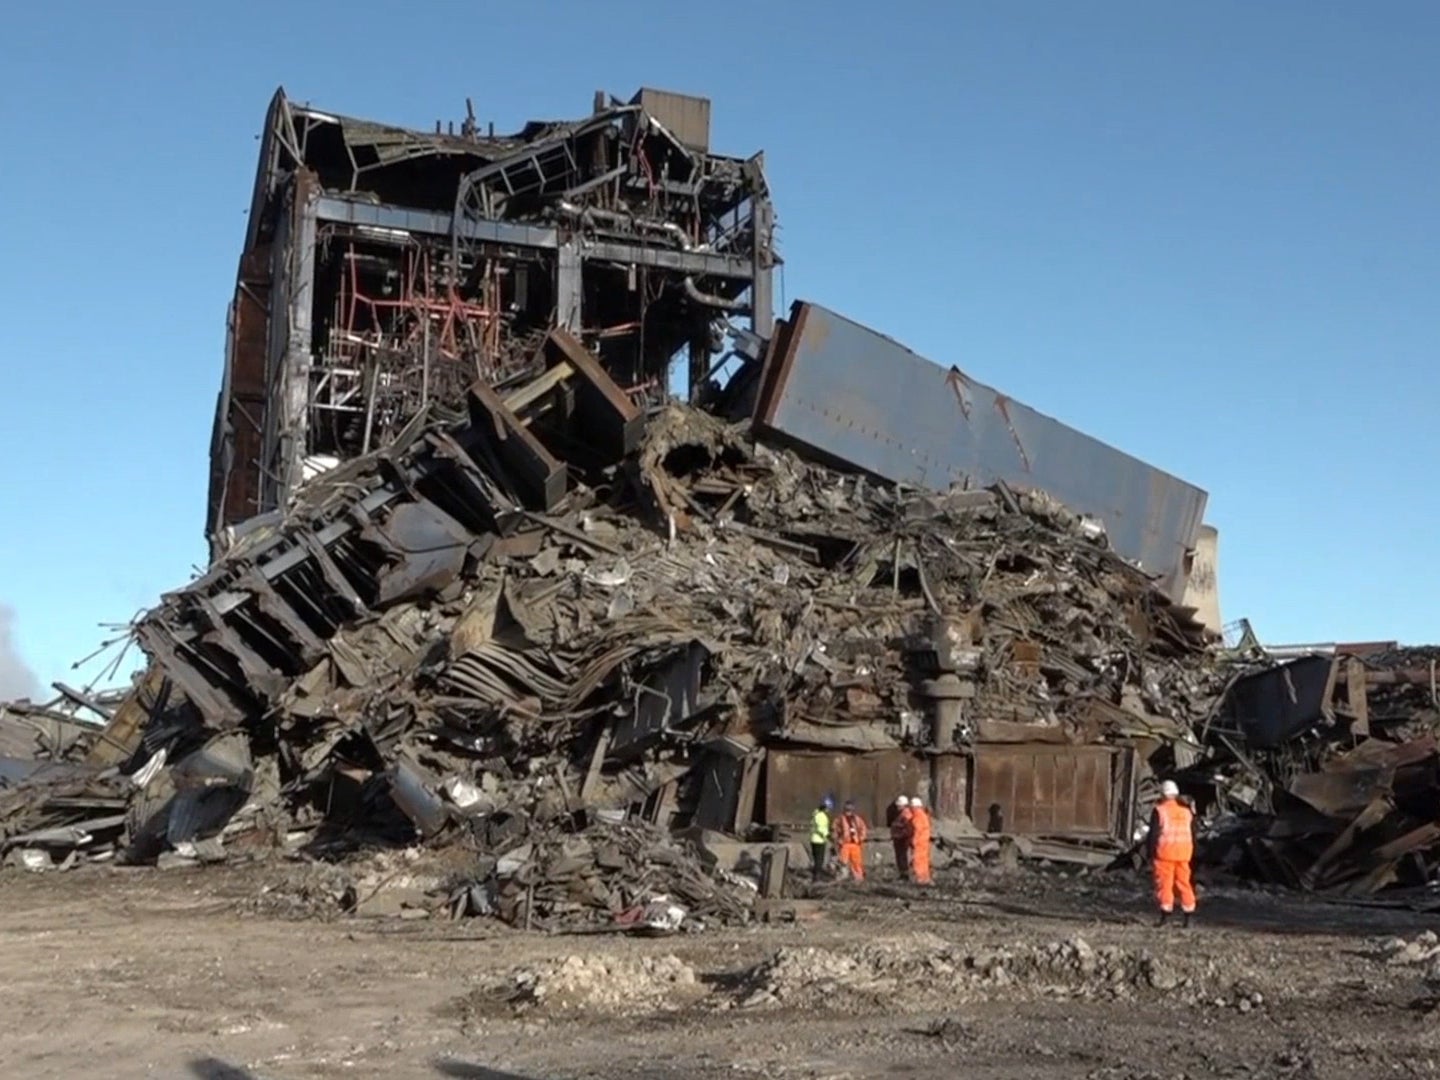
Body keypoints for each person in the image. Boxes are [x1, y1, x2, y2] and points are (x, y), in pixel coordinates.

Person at [1147, 779, 1196, 927]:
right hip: (1184, 853)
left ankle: (1165, 917)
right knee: (1184, 884)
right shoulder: (1187, 812)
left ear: (1162, 794)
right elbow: (1193, 834)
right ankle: (1188, 917)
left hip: (1165, 853)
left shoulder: (1159, 811)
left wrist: (1150, 853)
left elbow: (1153, 834)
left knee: (1164, 885)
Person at [834, 799, 869, 881]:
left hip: (855, 844)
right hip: (845, 844)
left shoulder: (857, 819)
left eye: (850, 808)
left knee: (857, 863)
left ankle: (858, 879)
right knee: (843, 862)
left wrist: (861, 838)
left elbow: (863, 829)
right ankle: (842, 879)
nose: (848, 810)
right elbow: (834, 830)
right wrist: (838, 840)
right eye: (847, 808)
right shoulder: (840, 819)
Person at [908, 793, 933, 885]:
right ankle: (925, 877)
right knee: (924, 859)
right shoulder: (923, 815)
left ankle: (920, 878)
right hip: (924, 841)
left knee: (918, 860)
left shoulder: (917, 816)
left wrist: (913, 840)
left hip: (919, 842)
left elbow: (917, 830)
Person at [810, 795, 834, 881]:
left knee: (817, 859)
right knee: (819, 860)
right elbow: (821, 828)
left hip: (815, 839)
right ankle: (816, 877)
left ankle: (816, 876)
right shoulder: (821, 816)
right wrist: (828, 835)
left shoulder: (816, 813)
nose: (829, 810)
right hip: (819, 840)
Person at [887, 795, 912, 880]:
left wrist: (902, 835)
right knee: (899, 856)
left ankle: (904, 875)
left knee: (902, 856)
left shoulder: (906, 814)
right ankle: (902, 874)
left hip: (902, 838)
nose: (897, 806)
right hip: (898, 837)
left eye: (899, 805)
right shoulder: (901, 814)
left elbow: (907, 827)